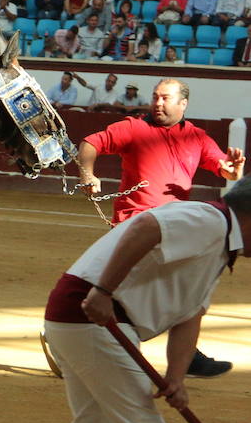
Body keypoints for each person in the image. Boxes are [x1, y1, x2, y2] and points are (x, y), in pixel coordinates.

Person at [16, 177, 251, 423]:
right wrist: (104, 290)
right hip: (95, 317)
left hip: (84, 318)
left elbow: (190, 314)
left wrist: (177, 376)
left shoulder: (219, 246)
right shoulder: (209, 221)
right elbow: (145, 227)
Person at [75, 79, 246, 378]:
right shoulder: (134, 128)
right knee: (149, 288)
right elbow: (91, 142)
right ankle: (77, 333)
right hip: (135, 225)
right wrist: (88, 173)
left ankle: (184, 353)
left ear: (183, 104)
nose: (157, 103)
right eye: (155, 97)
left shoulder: (197, 137)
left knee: (180, 285)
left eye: (165, 98)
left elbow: (219, 164)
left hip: (176, 229)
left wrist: (229, 170)